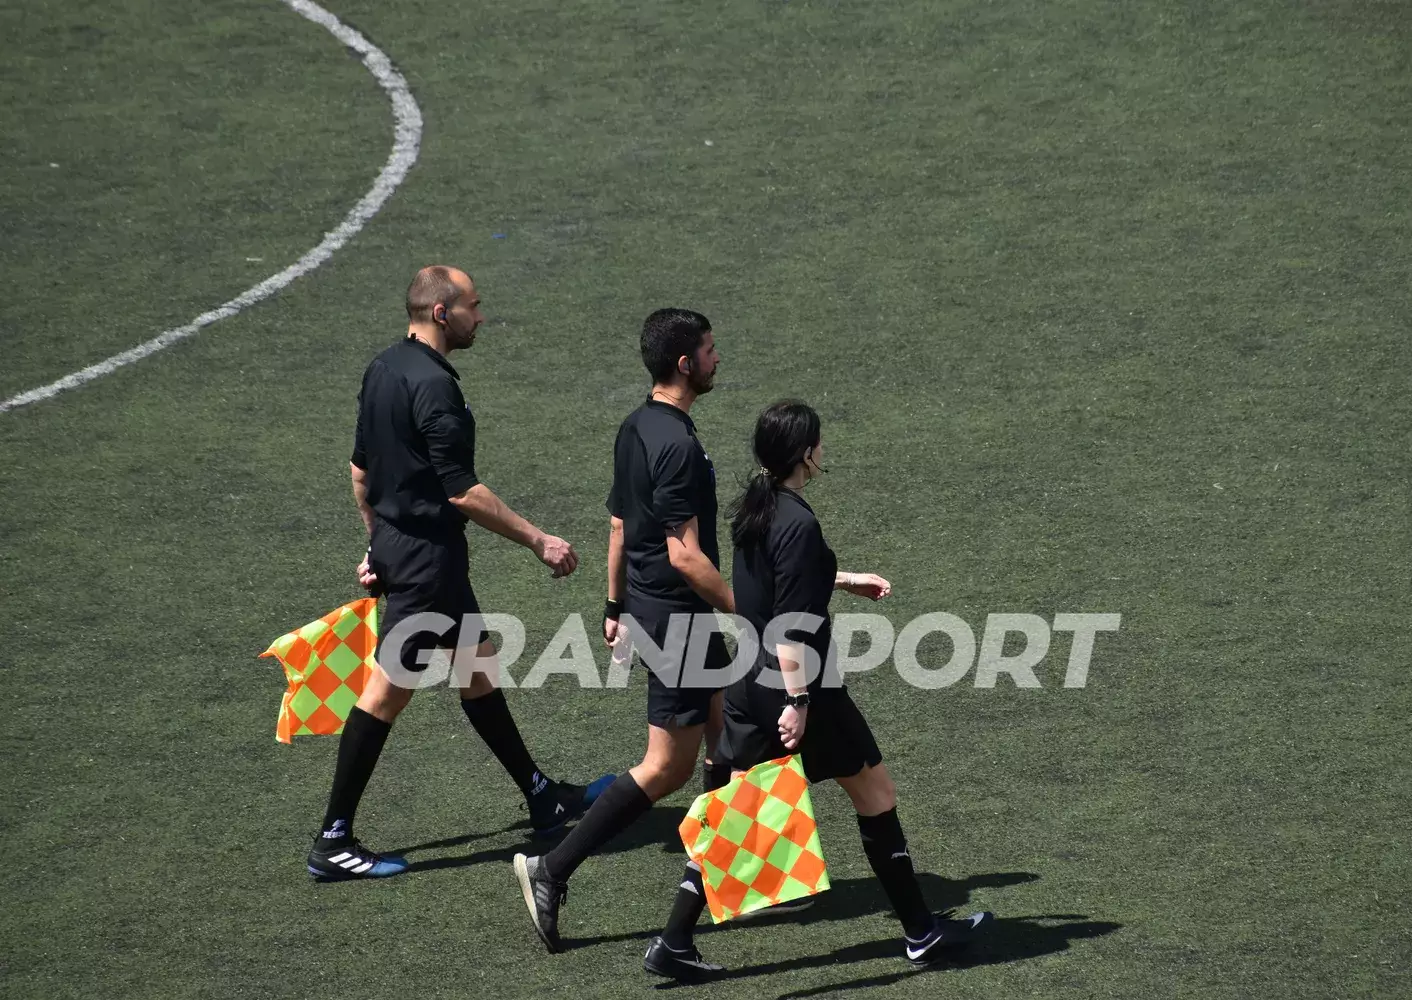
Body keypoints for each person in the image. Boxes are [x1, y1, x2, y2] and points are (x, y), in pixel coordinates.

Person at [640, 400, 992, 980]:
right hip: (804, 690)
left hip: (749, 683)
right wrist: (799, 702)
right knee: (875, 794)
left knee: (738, 814)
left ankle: (674, 941)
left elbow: (771, 588)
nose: (823, 449)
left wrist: (845, 579)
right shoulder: (798, 523)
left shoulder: (754, 508)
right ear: (806, 454)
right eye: (819, 442)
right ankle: (921, 934)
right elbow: (790, 626)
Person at [306, 265, 608, 881]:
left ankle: (540, 796)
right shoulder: (435, 387)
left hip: (409, 550)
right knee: (388, 691)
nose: (481, 316)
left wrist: (378, 546)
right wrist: (539, 540)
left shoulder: (383, 367)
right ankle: (332, 839)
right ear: (442, 313)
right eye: (474, 305)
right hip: (427, 560)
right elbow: (462, 491)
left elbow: (361, 472)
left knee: (477, 668)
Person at [512, 308, 734, 951]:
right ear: (685, 364)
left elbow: (618, 524)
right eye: (710, 350)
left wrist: (614, 605)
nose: (717, 358)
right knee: (666, 766)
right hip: (677, 616)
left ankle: (722, 870)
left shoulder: (637, 425)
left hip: (658, 609)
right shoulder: (678, 445)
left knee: (728, 736)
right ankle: (552, 869)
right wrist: (746, 608)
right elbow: (684, 555)